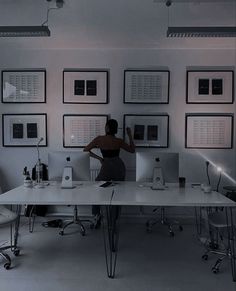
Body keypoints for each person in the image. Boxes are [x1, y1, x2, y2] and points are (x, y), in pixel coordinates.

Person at [83, 119, 135, 227]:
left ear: (107, 128)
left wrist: (99, 158)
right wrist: (129, 135)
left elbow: (86, 150)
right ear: (115, 129)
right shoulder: (119, 141)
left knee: (96, 189)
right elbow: (132, 150)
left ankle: (96, 216)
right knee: (117, 194)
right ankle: (113, 222)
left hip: (106, 166)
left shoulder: (100, 139)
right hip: (118, 167)